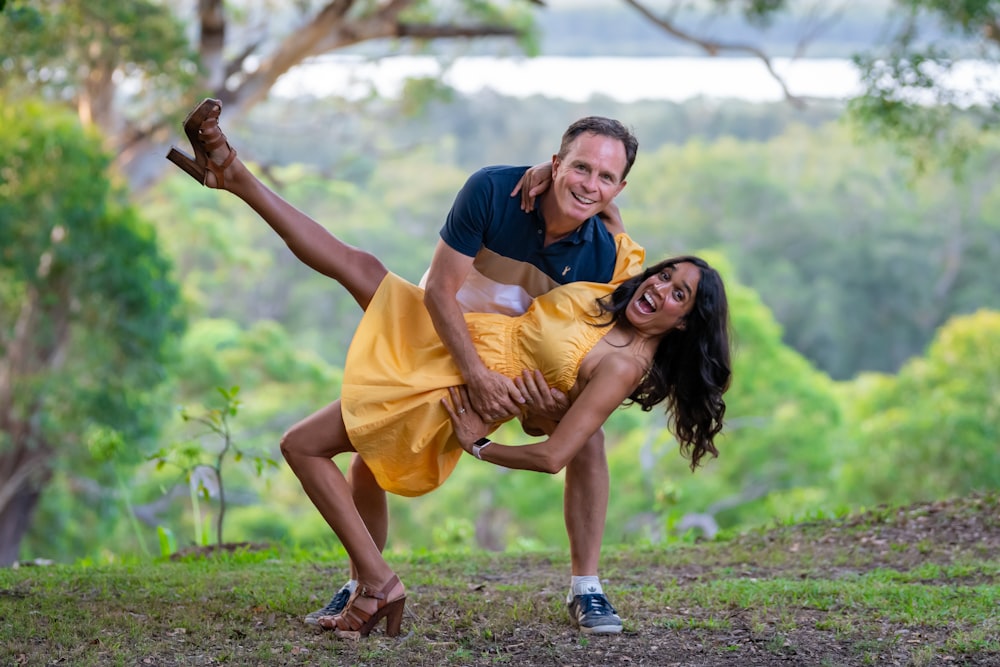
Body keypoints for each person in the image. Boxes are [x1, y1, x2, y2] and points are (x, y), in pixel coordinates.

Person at [166, 99, 733, 638]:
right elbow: (439, 292)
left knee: (588, 434)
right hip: (450, 329)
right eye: (579, 167)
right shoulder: (493, 190)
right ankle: (234, 175)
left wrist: (532, 412)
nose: (591, 184)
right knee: (359, 291)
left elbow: (567, 405)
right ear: (555, 163)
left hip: (516, 367)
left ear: (620, 187)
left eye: (606, 178)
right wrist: (480, 381)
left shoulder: (608, 259)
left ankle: (586, 586)